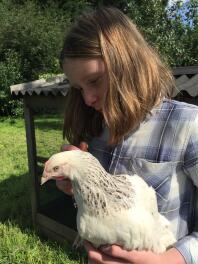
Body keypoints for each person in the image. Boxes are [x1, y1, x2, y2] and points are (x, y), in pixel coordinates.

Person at [57, 6, 198, 264]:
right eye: (79, 88)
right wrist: (77, 187)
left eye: (95, 80)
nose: (88, 99)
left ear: (127, 62)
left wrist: (173, 259)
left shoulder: (188, 124)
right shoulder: (92, 128)